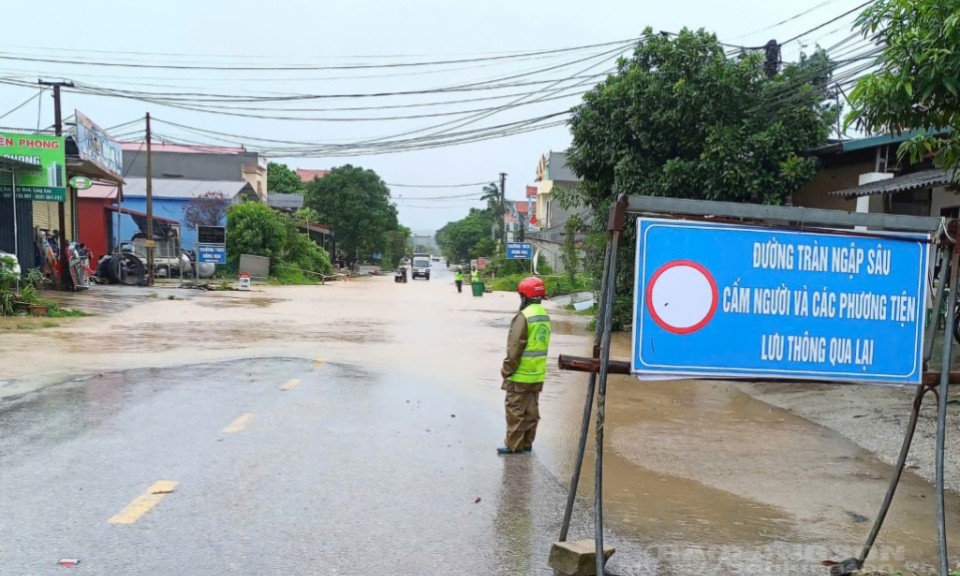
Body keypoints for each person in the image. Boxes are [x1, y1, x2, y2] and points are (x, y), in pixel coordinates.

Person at [498, 276, 550, 455]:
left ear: (524, 296)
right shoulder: (543, 316)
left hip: (520, 374)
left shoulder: (524, 317)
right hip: (537, 374)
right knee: (531, 411)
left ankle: (514, 445)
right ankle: (527, 443)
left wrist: (506, 370)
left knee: (515, 410)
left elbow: (515, 348)